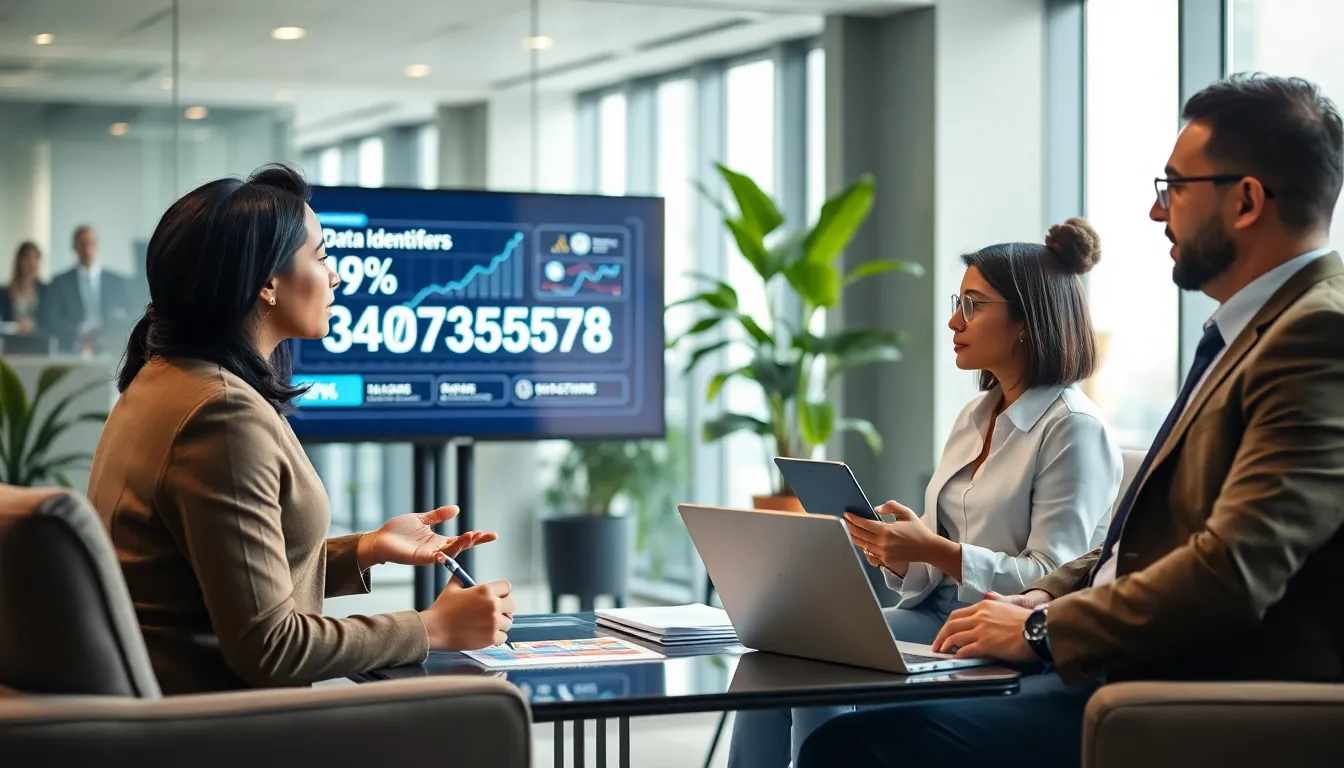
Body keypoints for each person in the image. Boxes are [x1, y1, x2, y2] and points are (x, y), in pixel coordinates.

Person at [798, 73, 1344, 768]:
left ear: (1245, 200)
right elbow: (1133, 545)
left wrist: (1038, 625)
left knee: (856, 744)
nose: (1157, 213)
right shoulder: (1251, 333)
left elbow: (1231, 571)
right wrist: (1036, 598)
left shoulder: (1316, 336)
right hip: (1106, 654)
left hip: (1173, 687)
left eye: (1172, 188)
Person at [86, 163, 515, 694]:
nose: (335, 276)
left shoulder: (163, 381)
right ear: (267, 282)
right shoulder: (222, 417)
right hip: (216, 732)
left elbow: (219, 577)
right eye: (322, 256)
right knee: (477, 715)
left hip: (174, 716)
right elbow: (270, 647)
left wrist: (368, 548)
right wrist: (432, 627)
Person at [729, 219, 1123, 768]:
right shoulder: (976, 414)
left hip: (993, 631)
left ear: (1025, 325)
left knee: (819, 673)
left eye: (973, 305)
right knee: (779, 658)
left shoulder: (1074, 429)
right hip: (932, 616)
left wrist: (932, 549)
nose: (952, 320)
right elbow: (940, 559)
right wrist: (901, 547)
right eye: (956, 301)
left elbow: (1050, 581)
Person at [40, 224, 135, 354]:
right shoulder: (60, 282)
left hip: (111, 350)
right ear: (74, 247)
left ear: (98, 246)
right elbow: (51, 319)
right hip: (71, 350)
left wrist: (106, 330)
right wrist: (79, 331)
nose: (87, 249)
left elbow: (128, 315)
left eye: (91, 244)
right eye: (82, 244)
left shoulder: (116, 282)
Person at [0, 241, 44, 332]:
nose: (32, 263)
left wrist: (33, 325)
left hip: (37, 341)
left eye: (35, 258)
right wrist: (15, 326)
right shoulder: (5, 292)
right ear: (19, 261)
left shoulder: (46, 291)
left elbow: (51, 321)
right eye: (27, 258)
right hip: (12, 341)